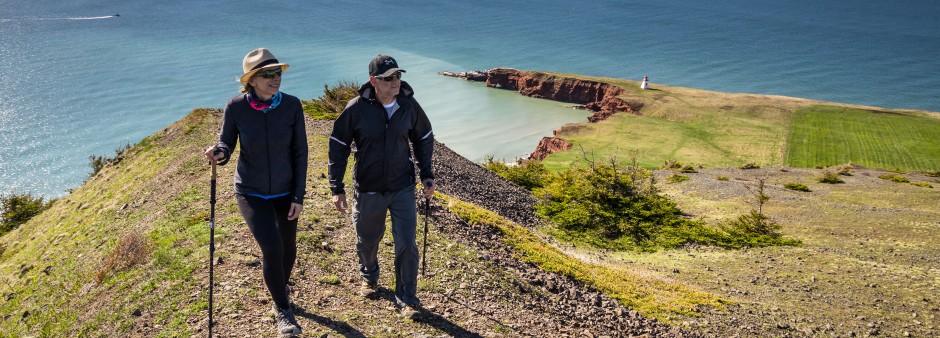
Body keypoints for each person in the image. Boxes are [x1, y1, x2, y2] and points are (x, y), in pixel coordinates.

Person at [204, 48, 307, 337]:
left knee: (288, 248)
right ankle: (283, 310)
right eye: (268, 74)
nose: (276, 78)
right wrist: (219, 154)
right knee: (272, 247)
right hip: (251, 191)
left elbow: (301, 152)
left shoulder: (292, 106)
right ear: (252, 80)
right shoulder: (236, 107)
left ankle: (280, 286)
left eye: (278, 72)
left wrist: (298, 196)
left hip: (286, 190)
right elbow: (226, 143)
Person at [328, 54, 435, 318]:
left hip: (402, 187)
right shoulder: (355, 108)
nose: (395, 82)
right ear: (374, 81)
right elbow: (338, 147)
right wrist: (336, 187)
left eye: (398, 76)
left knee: (407, 244)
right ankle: (369, 275)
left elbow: (423, 138)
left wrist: (427, 174)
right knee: (367, 240)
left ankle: (407, 296)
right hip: (369, 188)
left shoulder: (409, 106)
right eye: (388, 78)